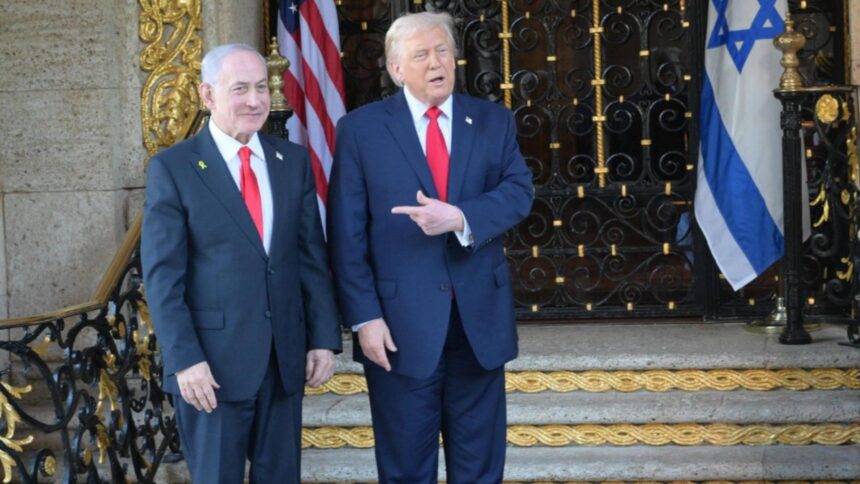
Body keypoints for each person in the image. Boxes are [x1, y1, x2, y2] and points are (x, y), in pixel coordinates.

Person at [327, 11, 534, 483]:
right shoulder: (361, 130)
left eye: (443, 51)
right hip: (398, 328)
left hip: (478, 326)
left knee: (480, 469)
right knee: (406, 470)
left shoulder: (492, 120)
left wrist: (461, 217)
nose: (436, 62)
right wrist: (364, 317)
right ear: (396, 69)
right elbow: (346, 234)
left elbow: (519, 191)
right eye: (421, 55)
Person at [141, 43, 342, 483]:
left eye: (261, 87)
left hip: (283, 361)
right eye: (240, 89)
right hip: (210, 369)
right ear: (207, 95)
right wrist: (184, 359)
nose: (255, 100)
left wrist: (323, 338)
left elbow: (310, 257)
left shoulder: (292, 161)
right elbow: (162, 278)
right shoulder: (173, 168)